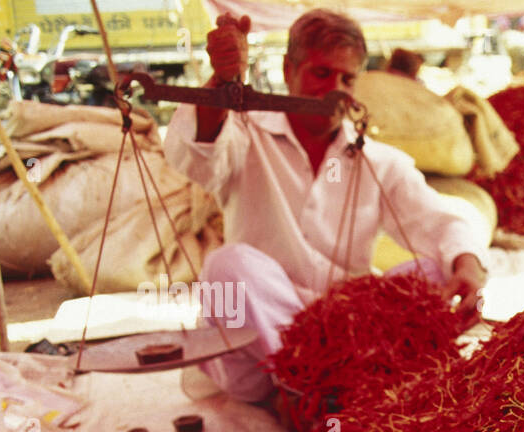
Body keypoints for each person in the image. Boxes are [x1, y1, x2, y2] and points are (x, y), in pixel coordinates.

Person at [164, 9, 487, 405]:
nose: (335, 90)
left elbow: (442, 220)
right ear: (288, 70)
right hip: (260, 338)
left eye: (347, 79)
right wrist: (224, 83)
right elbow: (192, 155)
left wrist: (467, 263)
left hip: (349, 332)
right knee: (226, 268)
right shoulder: (246, 135)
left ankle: (318, 391)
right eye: (321, 74)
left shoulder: (376, 160)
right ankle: (309, 384)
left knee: (436, 269)